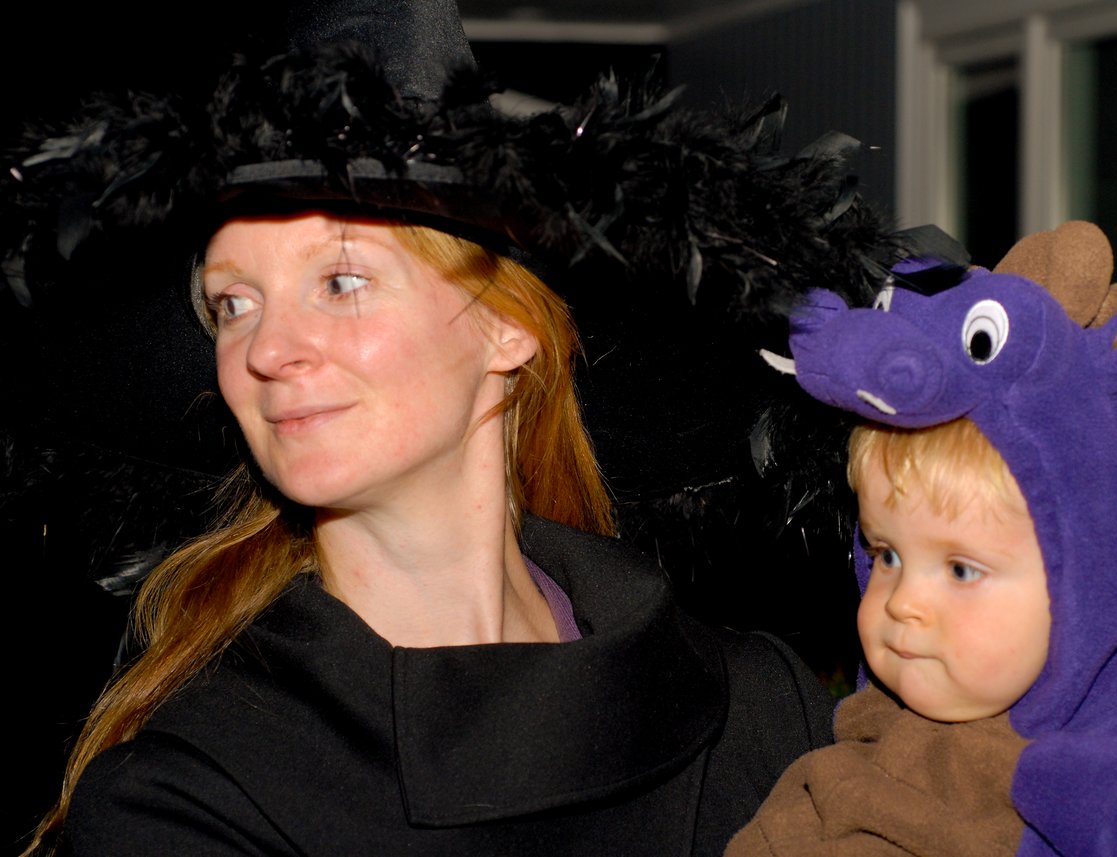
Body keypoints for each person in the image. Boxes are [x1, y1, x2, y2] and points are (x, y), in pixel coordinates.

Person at [4, 1, 901, 854]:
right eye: (233, 303)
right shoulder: (193, 792)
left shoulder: (757, 706)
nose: (265, 350)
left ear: (506, 328)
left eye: (341, 283)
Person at [729, 220, 1117, 856]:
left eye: (961, 569)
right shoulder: (878, 725)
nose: (902, 601)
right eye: (886, 554)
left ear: (1095, 587)